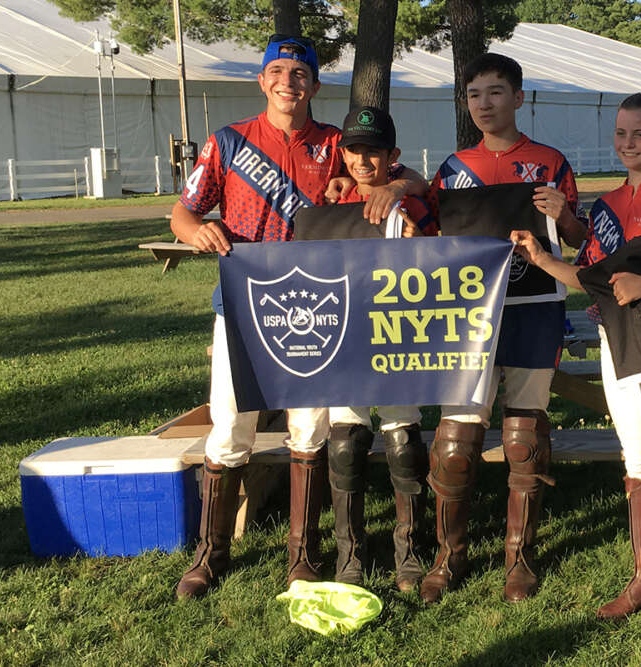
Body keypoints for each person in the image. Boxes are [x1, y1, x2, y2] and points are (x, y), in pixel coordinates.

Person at [170, 35, 425, 599]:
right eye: (278, 71)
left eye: (300, 73)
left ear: (314, 83)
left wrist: (393, 187)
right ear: (263, 81)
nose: (289, 82)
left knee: (309, 427)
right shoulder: (227, 142)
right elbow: (182, 214)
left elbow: (405, 178)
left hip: (321, 305)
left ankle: (302, 554)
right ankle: (211, 555)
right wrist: (197, 231)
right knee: (232, 421)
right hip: (244, 302)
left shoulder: (337, 143)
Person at [511, 92, 641, 650]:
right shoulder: (605, 207)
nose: (628, 144)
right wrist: (539, 255)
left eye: (640, 135)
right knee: (635, 463)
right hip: (614, 344)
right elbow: (589, 275)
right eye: (621, 133)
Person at [420, 53, 587, 604]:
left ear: (518, 97)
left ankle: (519, 557)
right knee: (454, 439)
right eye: (474, 95)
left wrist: (563, 215)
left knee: (524, 436)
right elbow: (431, 239)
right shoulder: (453, 169)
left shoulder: (549, 161)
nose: (484, 104)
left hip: (534, 306)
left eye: (495, 93)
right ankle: (450, 555)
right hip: (469, 314)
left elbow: (583, 239)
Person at [322, 105, 437, 591]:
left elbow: (439, 260)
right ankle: (350, 550)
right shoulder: (329, 199)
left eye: (373, 151)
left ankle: (408, 547)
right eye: (354, 150)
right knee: (345, 438)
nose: (362, 160)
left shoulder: (413, 200)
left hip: (397, 331)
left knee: (402, 437)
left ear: (392, 155)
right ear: (342, 152)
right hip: (344, 332)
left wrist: (415, 236)